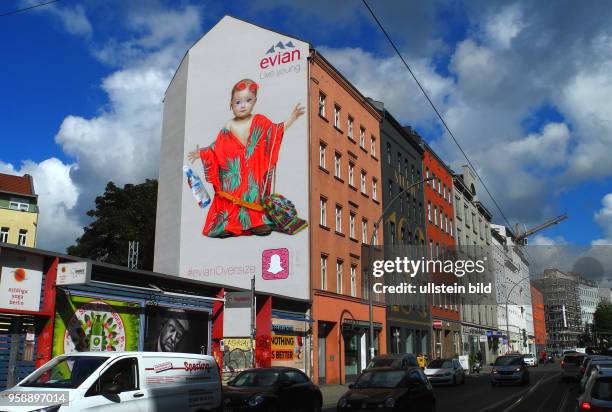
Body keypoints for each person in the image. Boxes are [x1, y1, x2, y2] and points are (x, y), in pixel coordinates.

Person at [188, 79, 305, 238]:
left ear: (254, 102)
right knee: (230, 198)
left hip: (252, 171)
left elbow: (274, 132)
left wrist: (291, 119)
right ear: (231, 104)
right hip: (233, 173)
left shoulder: (259, 120)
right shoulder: (228, 125)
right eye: (238, 102)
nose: (243, 105)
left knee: (253, 195)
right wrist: (202, 153)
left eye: (248, 101)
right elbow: (216, 147)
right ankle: (229, 225)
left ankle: (257, 223)